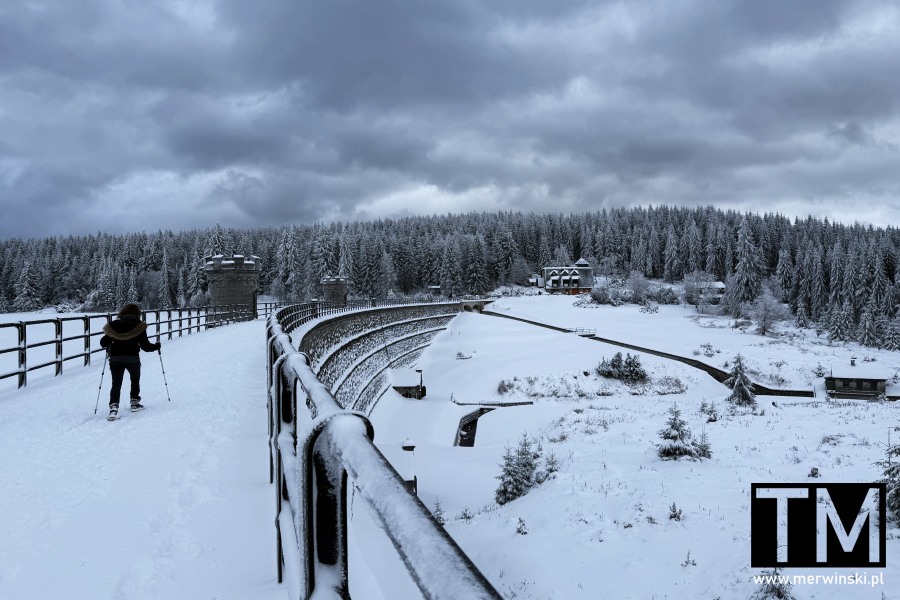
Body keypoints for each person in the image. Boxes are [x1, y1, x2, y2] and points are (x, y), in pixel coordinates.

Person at [100, 303, 161, 419]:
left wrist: (111, 341)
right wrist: (156, 346)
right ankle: (134, 403)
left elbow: (103, 343)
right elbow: (146, 347)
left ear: (122, 312)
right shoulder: (139, 326)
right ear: (137, 314)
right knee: (135, 379)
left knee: (116, 383)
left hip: (115, 359)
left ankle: (113, 407)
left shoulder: (114, 325)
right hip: (132, 359)